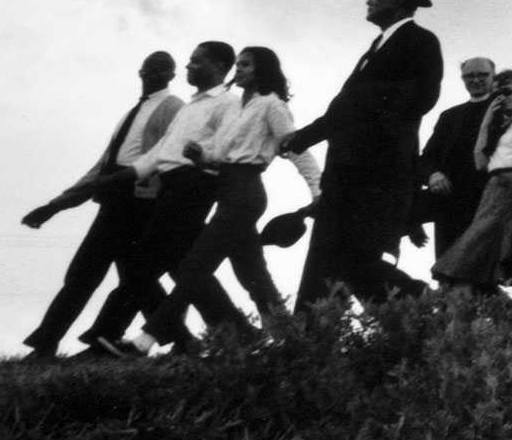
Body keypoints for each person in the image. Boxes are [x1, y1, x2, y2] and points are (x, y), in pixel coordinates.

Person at [282, 0, 443, 310]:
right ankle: (306, 343)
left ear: (398, 0)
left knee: (353, 258)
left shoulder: (422, 41)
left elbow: (422, 98)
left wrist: (369, 104)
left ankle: (423, 306)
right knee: (326, 258)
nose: (369, 0)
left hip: (377, 172)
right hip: (346, 169)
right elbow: (344, 109)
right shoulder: (377, 45)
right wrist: (304, 137)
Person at [137, 46, 323, 347]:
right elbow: (224, 156)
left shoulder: (271, 106)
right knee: (253, 273)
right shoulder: (238, 109)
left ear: (262, 70)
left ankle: (147, 338)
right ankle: (287, 337)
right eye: (237, 64)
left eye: (246, 65)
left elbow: (296, 149)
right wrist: (201, 157)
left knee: (195, 265)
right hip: (227, 190)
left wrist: (317, 191)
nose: (239, 70)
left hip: (245, 193)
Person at [18, 50, 187, 358]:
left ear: (172, 76)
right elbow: (102, 168)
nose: (153, 74)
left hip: (141, 204)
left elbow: (167, 159)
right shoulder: (130, 113)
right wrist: (56, 205)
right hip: (114, 200)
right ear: (140, 72)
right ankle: (47, 344)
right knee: (117, 278)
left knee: (116, 277)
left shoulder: (175, 108)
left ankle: (50, 343)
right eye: (149, 69)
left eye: (162, 70)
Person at [112, 42, 239, 350]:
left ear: (220, 66)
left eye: (197, 62)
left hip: (193, 184)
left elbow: (226, 148)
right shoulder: (191, 106)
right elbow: (159, 152)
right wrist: (115, 179)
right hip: (170, 186)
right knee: (185, 267)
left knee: (140, 265)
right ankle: (233, 334)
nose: (188, 67)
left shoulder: (228, 103)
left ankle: (186, 337)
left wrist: (203, 158)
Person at [433, 68, 512, 289]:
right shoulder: (498, 126)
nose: (502, 98)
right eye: (497, 94)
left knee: (473, 254)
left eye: (508, 92)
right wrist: (486, 122)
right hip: (493, 190)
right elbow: (480, 162)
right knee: (474, 260)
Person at [411, 57, 495, 266]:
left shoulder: (505, 111)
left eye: (482, 75)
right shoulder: (450, 116)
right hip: (451, 204)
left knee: (484, 272)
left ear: (494, 76)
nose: (475, 80)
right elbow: (427, 157)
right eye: (469, 76)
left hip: (489, 202)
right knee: (448, 270)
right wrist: (433, 174)